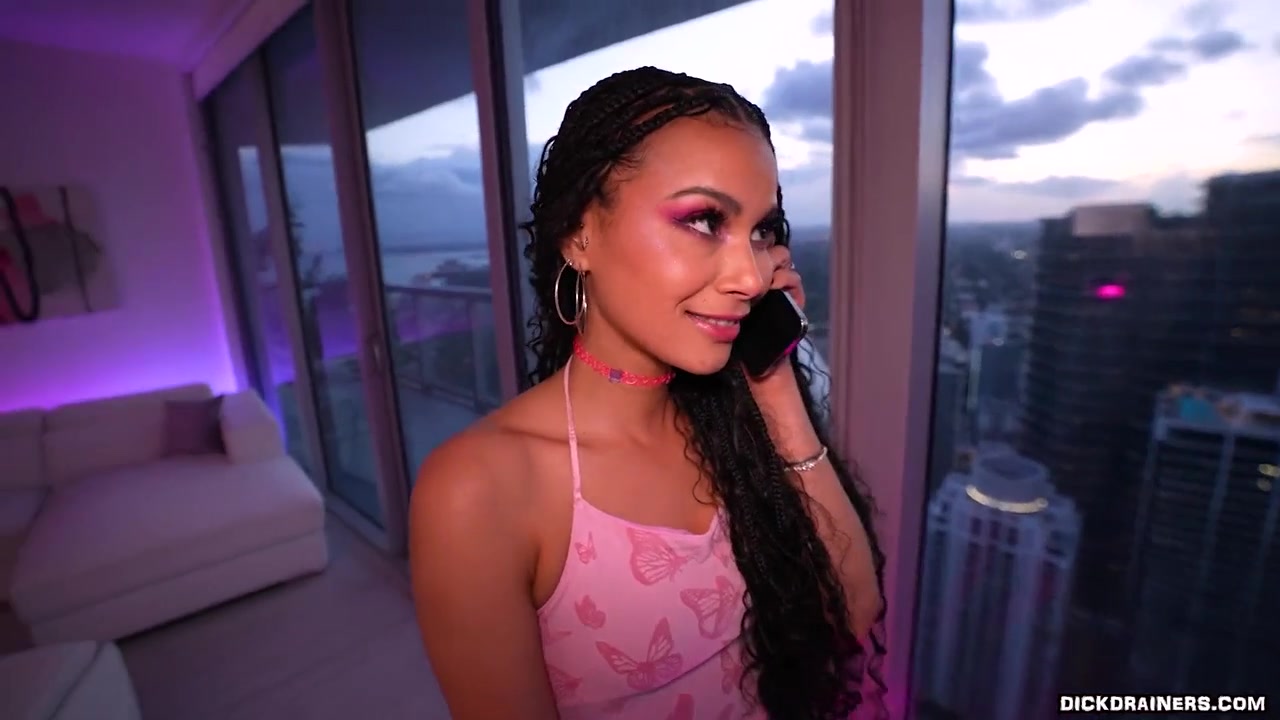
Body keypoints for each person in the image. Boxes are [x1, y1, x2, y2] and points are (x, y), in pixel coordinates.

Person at [409, 66, 886, 720]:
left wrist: (772, 379)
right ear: (580, 234)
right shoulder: (477, 490)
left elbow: (854, 611)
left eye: (760, 231)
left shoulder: (728, 425)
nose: (751, 277)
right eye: (703, 220)